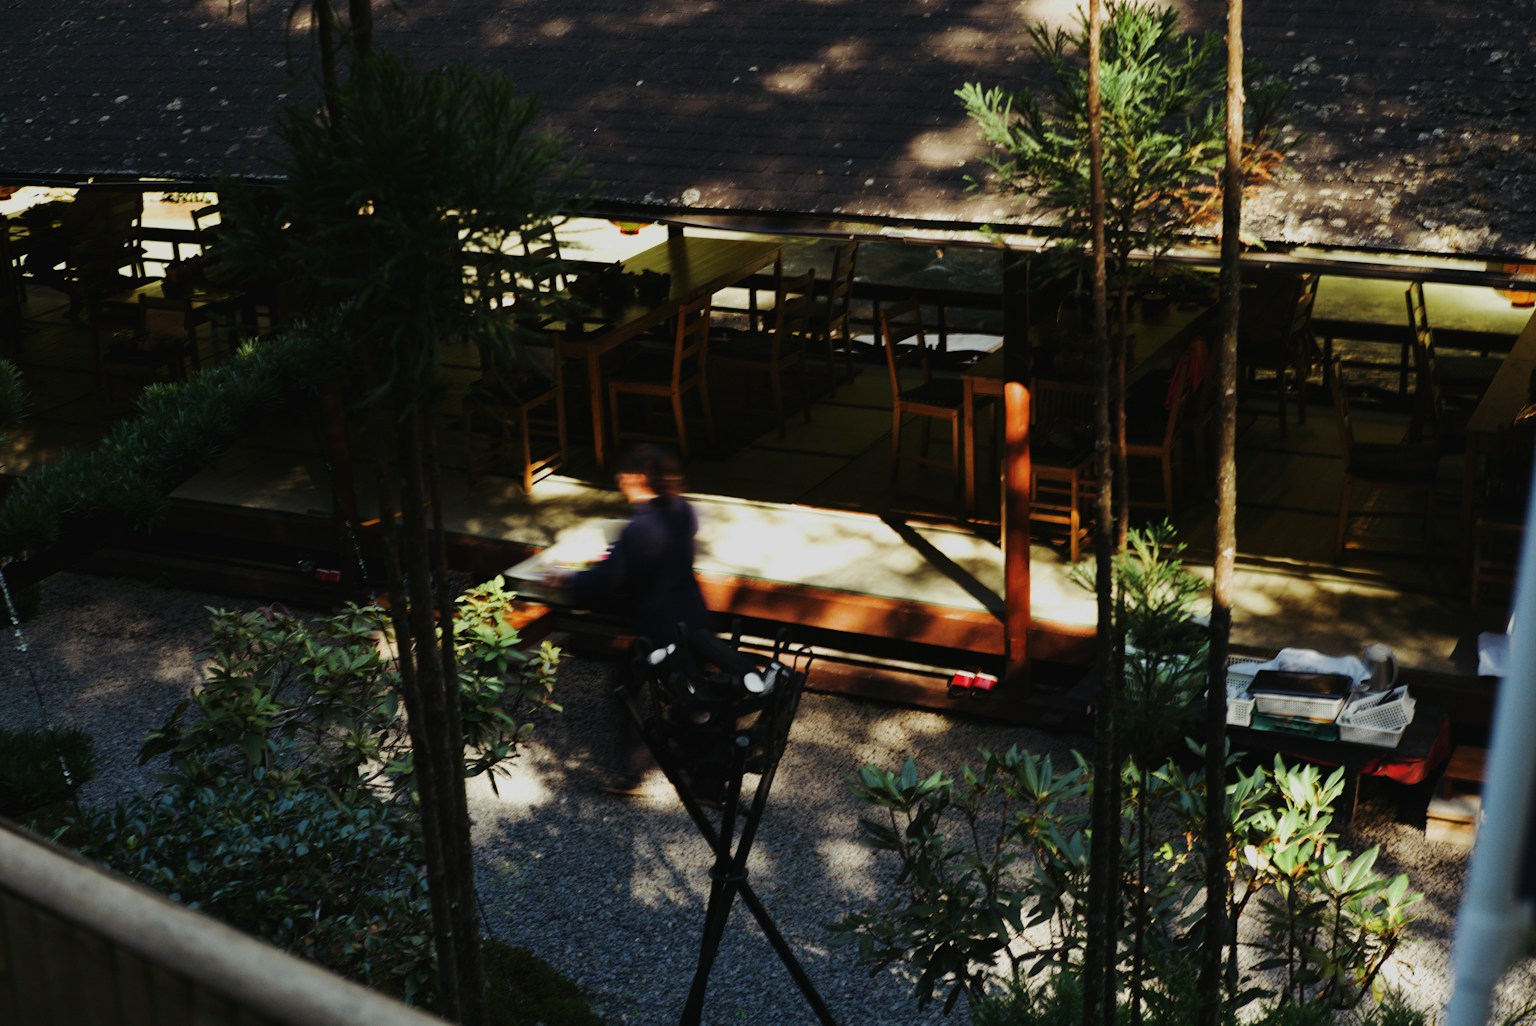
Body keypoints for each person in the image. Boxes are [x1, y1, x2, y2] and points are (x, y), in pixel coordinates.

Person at [550, 444, 710, 794]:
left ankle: (632, 773)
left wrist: (567, 580)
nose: (619, 480)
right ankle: (696, 770)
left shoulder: (639, 528)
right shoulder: (682, 511)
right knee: (683, 693)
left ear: (638, 478)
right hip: (692, 615)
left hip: (657, 629)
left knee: (628, 690)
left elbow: (608, 581)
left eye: (624, 474)